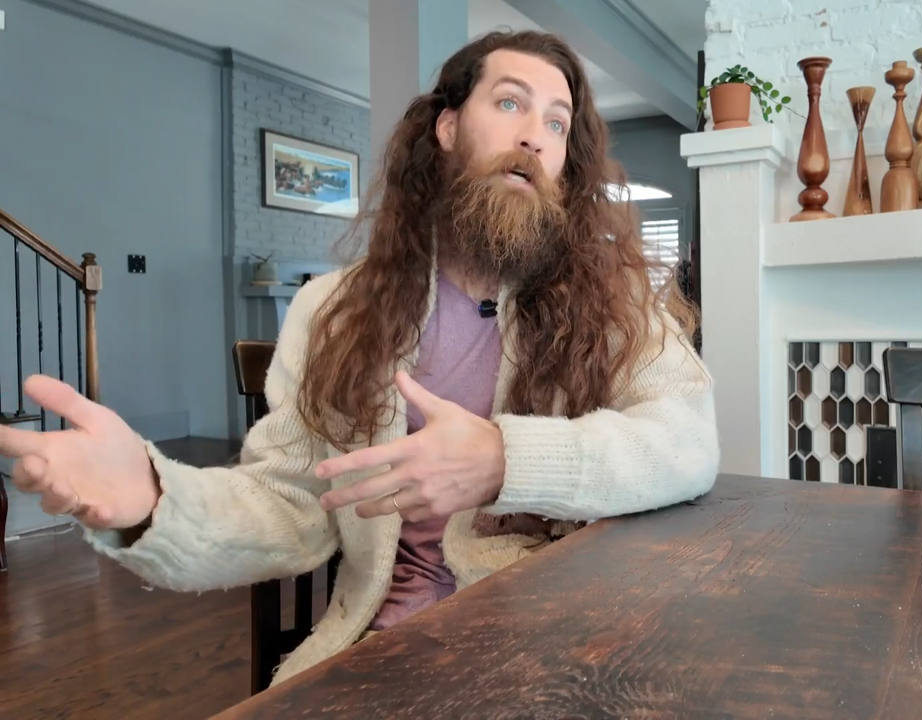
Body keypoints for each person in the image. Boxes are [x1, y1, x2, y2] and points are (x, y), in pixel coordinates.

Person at [0, 30, 719, 687]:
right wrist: (153, 499)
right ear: (446, 128)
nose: (535, 135)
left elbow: (687, 440)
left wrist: (504, 460)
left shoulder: (611, 304)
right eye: (510, 103)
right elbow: (290, 501)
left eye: (557, 123)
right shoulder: (334, 310)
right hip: (381, 654)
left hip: (552, 653)